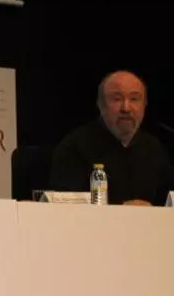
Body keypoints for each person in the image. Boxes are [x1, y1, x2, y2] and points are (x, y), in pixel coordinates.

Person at [49, 70, 174, 206]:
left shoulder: (155, 149)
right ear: (100, 105)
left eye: (134, 99)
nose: (126, 108)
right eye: (117, 99)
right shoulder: (75, 147)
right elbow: (66, 204)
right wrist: (122, 210)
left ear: (144, 105)